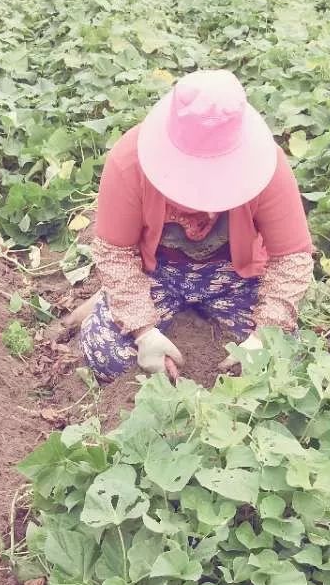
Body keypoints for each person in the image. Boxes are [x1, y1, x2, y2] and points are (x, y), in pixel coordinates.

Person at [82, 70, 314, 382]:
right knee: (108, 354)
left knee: (284, 361)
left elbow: (291, 258)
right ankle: (113, 303)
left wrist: (264, 336)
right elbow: (115, 253)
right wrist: (143, 331)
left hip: (235, 278)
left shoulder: (268, 166)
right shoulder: (129, 162)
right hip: (156, 275)